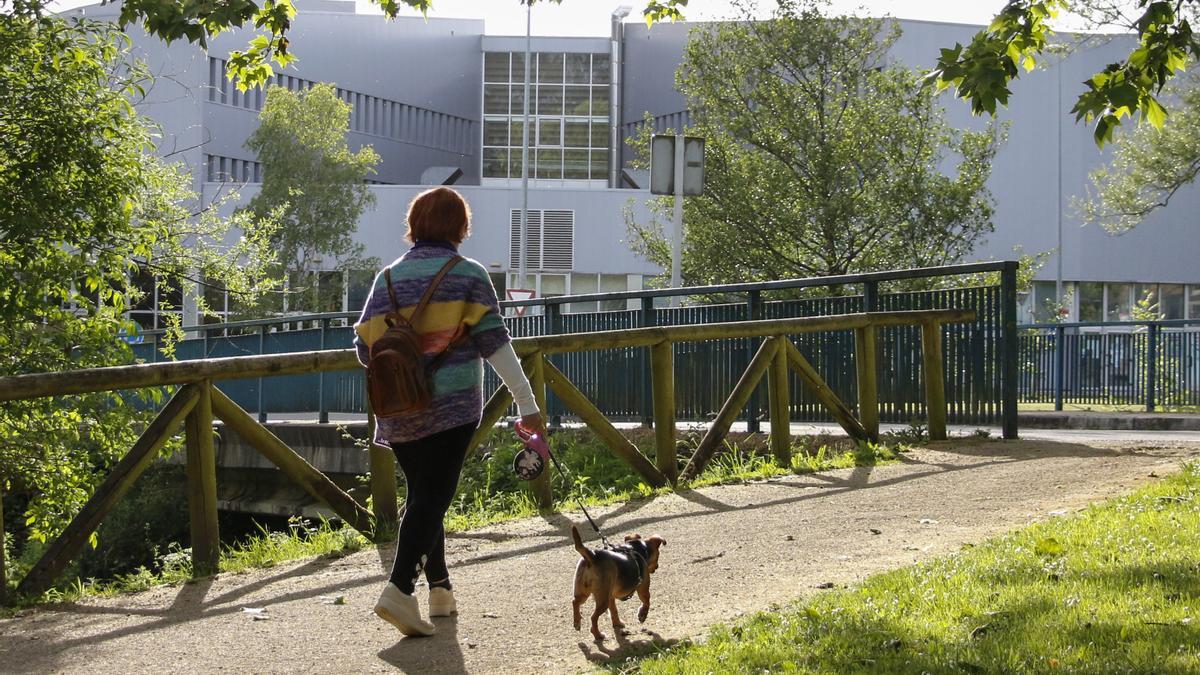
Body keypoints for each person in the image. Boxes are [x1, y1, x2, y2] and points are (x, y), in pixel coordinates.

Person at [353, 186, 545, 637]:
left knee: (424, 495)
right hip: (454, 407)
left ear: (414, 226)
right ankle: (399, 591)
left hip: (397, 408)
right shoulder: (469, 275)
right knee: (432, 499)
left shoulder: (388, 279)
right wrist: (528, 404)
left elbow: (365, 350)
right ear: (461, 227)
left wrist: (408, 359)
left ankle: (439, 591)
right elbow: (496, 346)